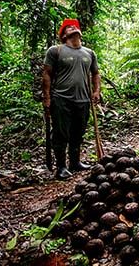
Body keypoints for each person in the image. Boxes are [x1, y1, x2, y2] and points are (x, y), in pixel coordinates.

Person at [42, 18, 101, 179]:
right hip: (61, 98)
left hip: (83, 100)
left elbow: (95, 73)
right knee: (61, 133)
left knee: (78, 132)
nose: (72, 28)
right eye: (68, 27)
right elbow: (46, 73)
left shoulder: (89, 53)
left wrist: (96, 91)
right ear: (63, 35)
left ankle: (75, 162)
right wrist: (46, 97)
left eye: (75, 26)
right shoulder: (56, 50)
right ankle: (61, 167)